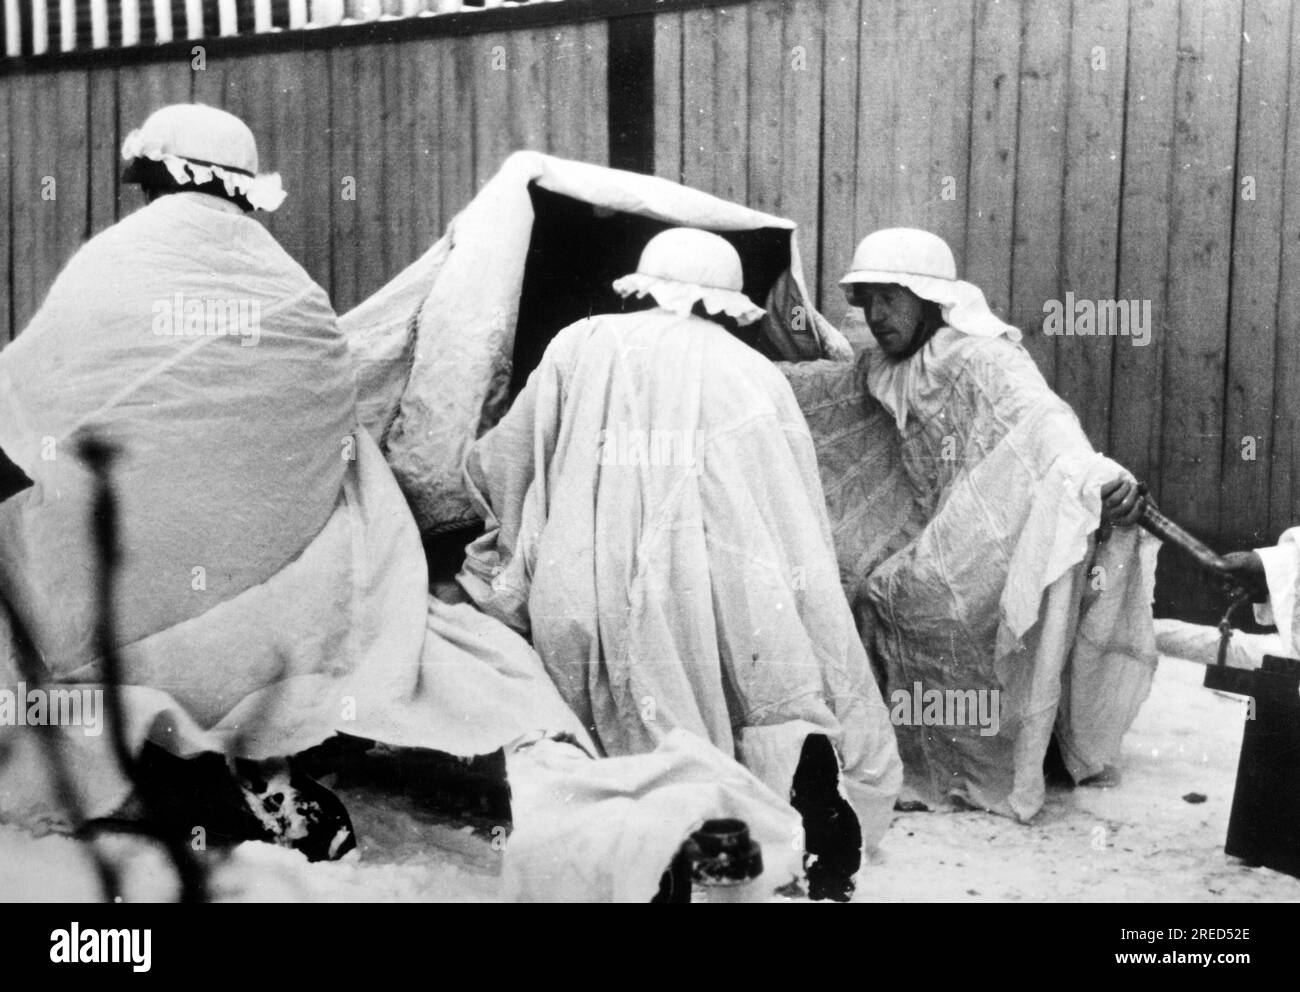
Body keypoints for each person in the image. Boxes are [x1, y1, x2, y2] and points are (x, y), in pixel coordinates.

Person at [459, 227, 903, 899]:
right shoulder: (755, 374)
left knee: (603, 730)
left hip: (584, 587)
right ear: (728, 301)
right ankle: (784, 795)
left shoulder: (580, 344)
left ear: (646, 284)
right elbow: (794, 513)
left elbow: (507, 458)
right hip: (718, 596)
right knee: (765, 681)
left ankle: (654, 824)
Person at [781, 227, 1160, 821]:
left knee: (921, 598)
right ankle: (920, 749)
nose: (876, 315)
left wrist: (1099, 480)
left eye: (890, 297)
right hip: (927, 523)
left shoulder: (984, 356)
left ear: (930, 299)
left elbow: (1044, 425)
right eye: (867, 300)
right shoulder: (885, 365)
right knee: (864, 583)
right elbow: (825, 392)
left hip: (987, 532)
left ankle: (985, 759)